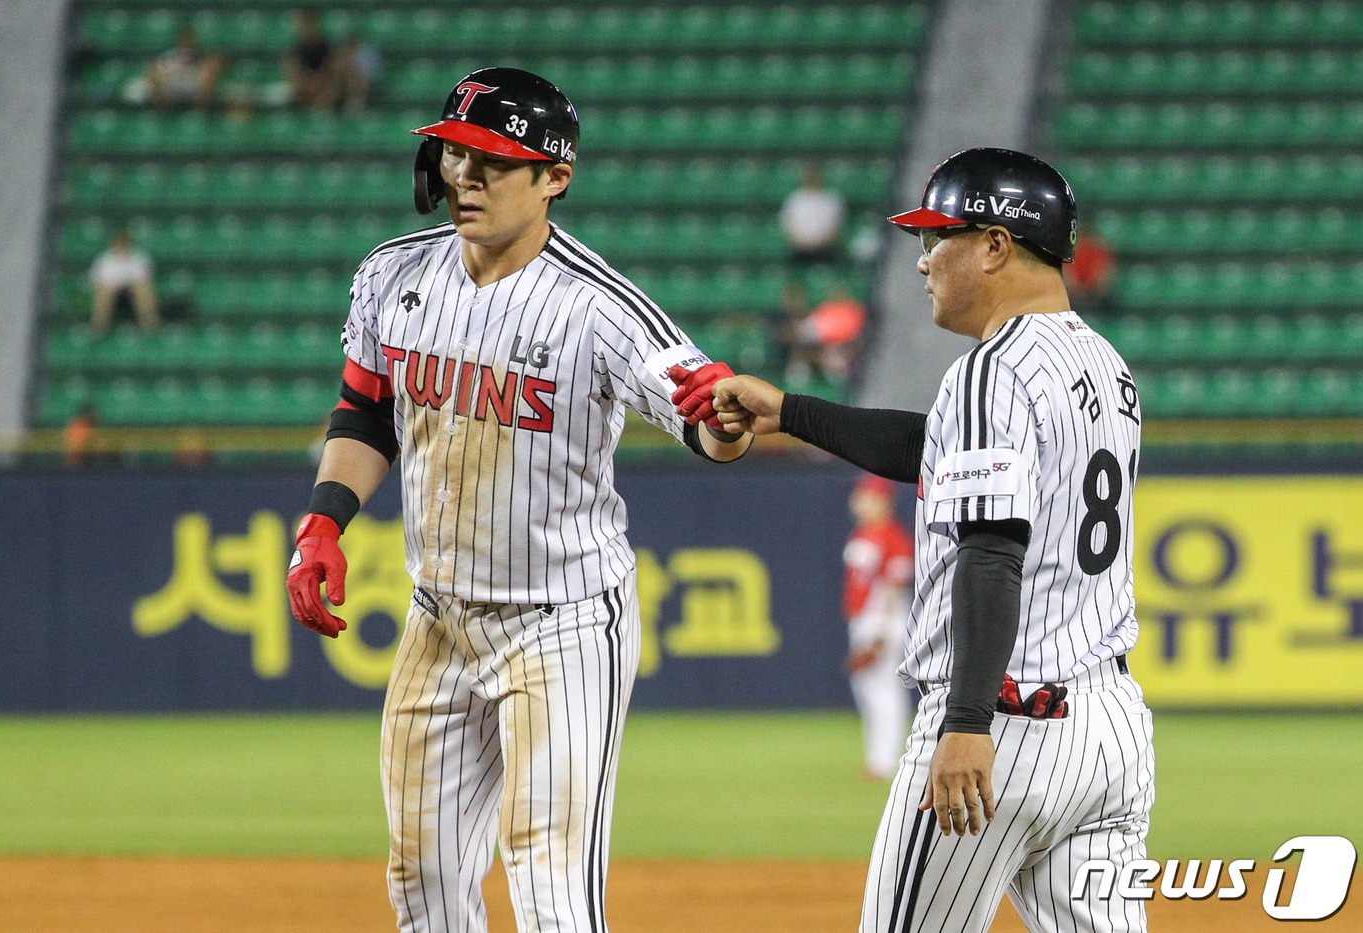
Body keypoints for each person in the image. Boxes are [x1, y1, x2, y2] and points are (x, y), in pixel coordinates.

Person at [284, 68, 752, 933]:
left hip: (562, 623)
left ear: (554, 178)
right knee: (419, 873)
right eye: (458, 153)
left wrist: (721, 414)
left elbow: (707, 421)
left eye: (495, 161)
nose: (467, 175)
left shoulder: (600, 306)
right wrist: (322, 521)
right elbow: (364, 411)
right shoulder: (394, 274)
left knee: (549, 884)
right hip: (437, 616)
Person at [695, 148, 1153, 933]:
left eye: (937, 237)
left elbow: (991, 549)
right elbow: (936, 449)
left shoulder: (993, 369)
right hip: (1109, 731)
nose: (923, 262)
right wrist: (791, 411)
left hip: (1006, 719)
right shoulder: (1103, 364)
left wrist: (966, 721)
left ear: (995, 245)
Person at [842, 475, 914, 782]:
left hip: (884, 619)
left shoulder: (893, 536)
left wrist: (883, 631)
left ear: (884, 501)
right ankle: (878, 759)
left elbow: (895, 586)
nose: (859, 502)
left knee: (885, 691)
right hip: (862, 618)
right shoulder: (861, 533)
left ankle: (888, 762)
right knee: (869, 691)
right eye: (859, 496)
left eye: (867, 497)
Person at [88, 228, 160, 335]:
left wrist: (131, 286)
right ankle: (98, 328)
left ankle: (151, 327)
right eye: (119, 243)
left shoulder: (140, 258)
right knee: (103, 292)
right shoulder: (103, 260)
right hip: (111, 290)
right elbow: (97, 281)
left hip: (132, 290)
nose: (122, 246)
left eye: (124, 243)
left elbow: (145, 280)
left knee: (143, 290)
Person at [779, 162, 846, 267]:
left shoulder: (831, 198)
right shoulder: (795, 199)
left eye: (813, 175)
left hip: (825, 248)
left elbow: (836, 225)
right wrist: (801, 242)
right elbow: (787, 225)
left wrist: (822, 242)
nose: (811, 178)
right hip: (800, 249)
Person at [145, 25, 223, 109]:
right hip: (171, 89)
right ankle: (163, 113)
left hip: (195, 89)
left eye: (190, 39)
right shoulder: (167, 58)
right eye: (184, 39)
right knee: (154, 74)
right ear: (179, 41)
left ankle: (199, 113)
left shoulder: (204, 56)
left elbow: (215, 64)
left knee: (210, 68)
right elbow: (156, 74)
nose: (187, 42)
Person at [283, 8, 337, 109]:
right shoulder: (293, 51)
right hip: (304, 91)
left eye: (304, 22)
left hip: (324, 90)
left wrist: (319, 82)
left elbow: (331, 70)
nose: (300, 27)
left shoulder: (326, 47)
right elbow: (293, 74)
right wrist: (309, 84)